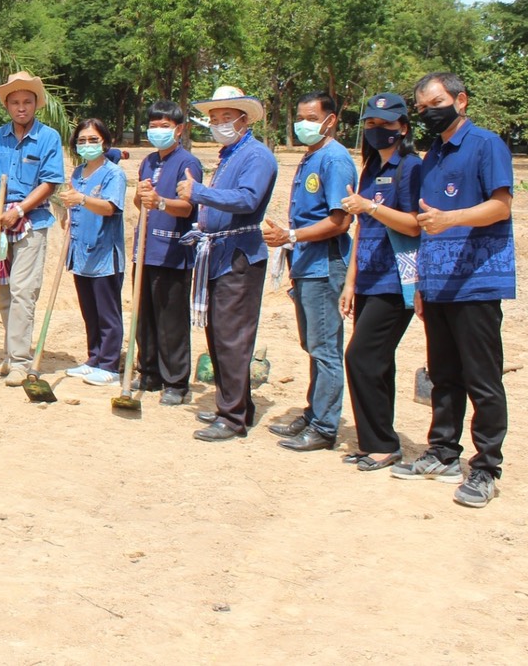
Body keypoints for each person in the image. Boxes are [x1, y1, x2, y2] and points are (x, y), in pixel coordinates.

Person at [390, 71, 515, 509]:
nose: (429, 113)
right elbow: (425, 225)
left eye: (437, 103)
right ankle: (442, 451)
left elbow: (501, 206)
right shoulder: (432, 156)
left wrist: (452, 219)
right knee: (442, 375)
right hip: (438, 283)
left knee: (482, 378)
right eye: (422, 108)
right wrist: (421, 282)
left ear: (461, 101)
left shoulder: (486, 144)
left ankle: (486, 468)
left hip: (476, 282)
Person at [178, 85, 279, 443]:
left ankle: (232, 416)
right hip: (220, 252)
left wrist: (198, 192)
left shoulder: (257, 156)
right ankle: (236, 404)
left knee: (232, 336)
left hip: (239, 255)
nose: (219, 123)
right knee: (219, 333)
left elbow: (247, 199)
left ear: (244, 119)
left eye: (226, 117)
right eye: (214, 118)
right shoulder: (230, 156)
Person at [261, 92, 356, 452]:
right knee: (312, 345)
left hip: (324, 265)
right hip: (305, 263)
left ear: (331, 120)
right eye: (300, 117)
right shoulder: (311, 156)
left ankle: (325, 426)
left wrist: (292, 236)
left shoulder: (335, 159)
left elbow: (340, 221)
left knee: (325, 348)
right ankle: (314, 412)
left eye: (312, 118)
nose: (304, 124)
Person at [338, 92, 422, 472]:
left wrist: (371, 206)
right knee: (379, 362)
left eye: (385, 124)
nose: (376, 130)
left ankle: (382, 444)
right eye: (370, 124)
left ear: (402, 127)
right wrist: (350, 282)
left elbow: (414, 225)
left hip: (396, 279)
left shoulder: (411, 168)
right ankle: (376, 441)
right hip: (369, 278)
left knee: (360, 357)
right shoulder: (371, 168)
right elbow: (361, 229)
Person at [0, 72, 65, 386]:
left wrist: (20, 210)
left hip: (31, 222)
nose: (21, 107)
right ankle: (10, 356)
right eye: (15, 102)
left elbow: (50, 182)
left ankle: (20, 362)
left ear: (36, 104)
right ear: (7, 105)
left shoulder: (49, 137)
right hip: (0, 222)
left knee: (23, 292)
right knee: (2, 290)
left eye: (27, 101)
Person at [133, 100, 203, 406]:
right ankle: (149, 372)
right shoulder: (148, 161)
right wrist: (141, 196)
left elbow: (188, 207)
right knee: (144, 316)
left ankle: (175, 381)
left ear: (179, 129)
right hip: (145, 250)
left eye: (165, 126)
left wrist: (160, 202)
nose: (158, 131)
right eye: (153, 126)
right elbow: (140, 203)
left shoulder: (188, 163)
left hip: (173, 252)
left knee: (170, 319)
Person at [59, 118, 128, 386]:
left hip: (104, 254)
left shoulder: (113, 174)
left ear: (105, 142)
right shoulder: (77, 173)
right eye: (82, 140)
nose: (87, 144)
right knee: (89, 310)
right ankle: (94, 358)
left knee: (107, 312)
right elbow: (74, 205)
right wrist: (68, 213)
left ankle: (110, 365)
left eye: (93, 140)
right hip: (81, 252)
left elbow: (110, 207)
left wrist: (82, 199)